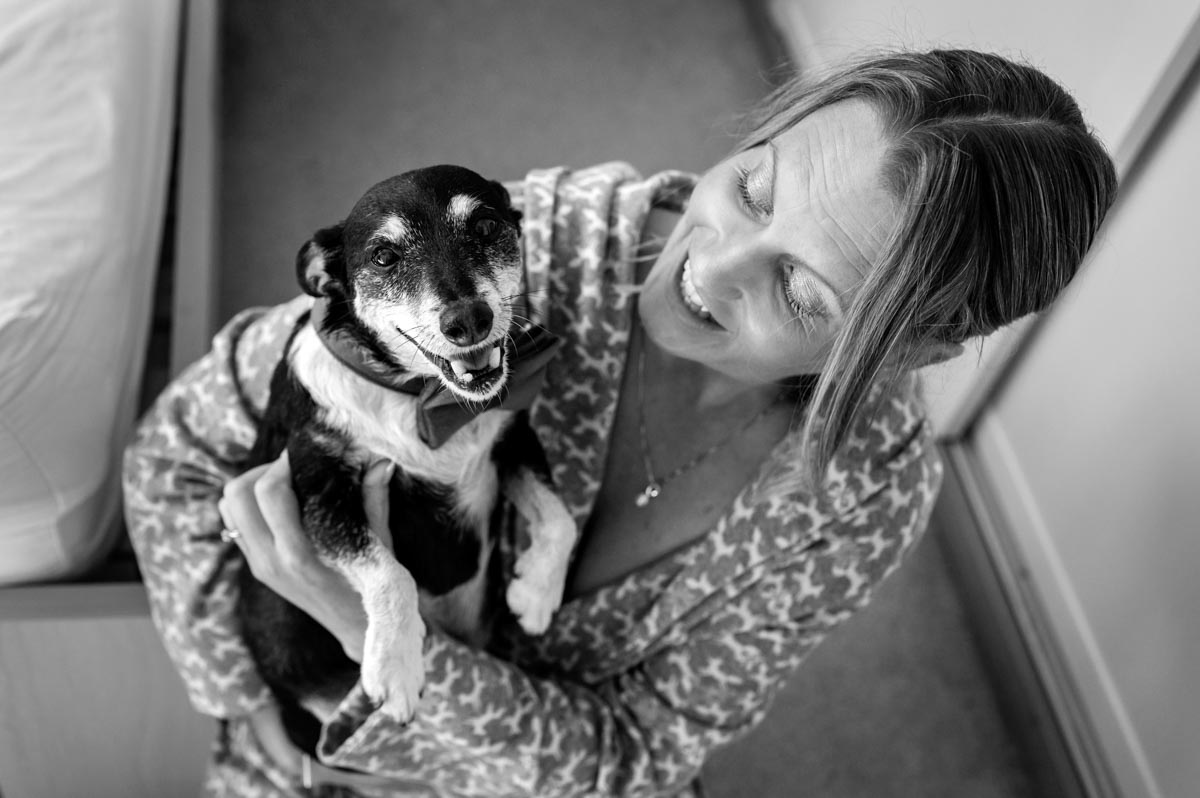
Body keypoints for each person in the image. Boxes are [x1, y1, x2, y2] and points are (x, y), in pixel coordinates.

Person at [124, 49, 1117, 797]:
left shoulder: (861, 503)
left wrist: (361, 621)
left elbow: (635, 754)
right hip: (304, 750)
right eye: (752, 188)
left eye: (806, 293)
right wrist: (246, 696)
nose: (708, 268)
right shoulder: (522, 248)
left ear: (911, 352)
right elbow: (173, 456)